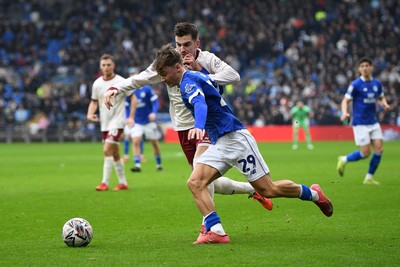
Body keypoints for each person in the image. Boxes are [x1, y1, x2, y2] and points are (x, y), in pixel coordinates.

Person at [153, 43, 333, 244]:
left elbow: (199, 103)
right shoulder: (196, 77)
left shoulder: (187, 82)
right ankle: (217, 231)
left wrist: (199, 125)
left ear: (177, 67)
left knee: (268, 190)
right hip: (219, 141)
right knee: (195, 182)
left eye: (163, 72)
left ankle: (314, 194)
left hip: (236, 139)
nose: (162, 78)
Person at [103, 22, 273, 221]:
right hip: (183, 129)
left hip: (206, 125)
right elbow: (142, 78)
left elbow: (234, 76)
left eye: (186, 44)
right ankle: (251, 190)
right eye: (178, 44)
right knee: (203, 181)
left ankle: (210, 226)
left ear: (196, 43)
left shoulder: (207, 58)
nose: (182, 49)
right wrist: (116, 88)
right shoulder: (169, 62)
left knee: (199, 179)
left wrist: (201, 73)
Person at [337, 57, 391, 185]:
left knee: (379, 149)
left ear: (371, 67)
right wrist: (344, 112)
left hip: (373, 122)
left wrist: (385, 104)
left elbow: (381, 96)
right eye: (362, 66)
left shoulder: (377, 83)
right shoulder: (355, 85)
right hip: (360, 123)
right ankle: (344, 159)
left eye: (367, 65)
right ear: (359, 69)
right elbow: (345, 100)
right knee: (365, 153)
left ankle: (369, 177)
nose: (365, 68)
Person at [87, 54, 135, 191]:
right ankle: (123, 182)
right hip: (105, 123)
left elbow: (133, 98)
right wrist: (90, 113)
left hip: (117, 121)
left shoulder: (121, 81)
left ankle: (104, 183)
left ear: (113, 65)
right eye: (104, 65)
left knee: (107, 149)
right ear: (100, 66)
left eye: (109, 64)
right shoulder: (97, 84)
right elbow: (94, 101)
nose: (106, 67)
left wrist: (130, 116)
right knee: (115, 153)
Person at [129, 72, 163, 172]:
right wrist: (129, 117)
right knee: (135, 141)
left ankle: (158, 164)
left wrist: (153, 112)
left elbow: (155, 101)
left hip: (149, 121)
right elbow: (127, 106)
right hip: (137, 121)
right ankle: (137, 165)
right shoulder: (130, 92)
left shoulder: (147, 89)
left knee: (154, 143)